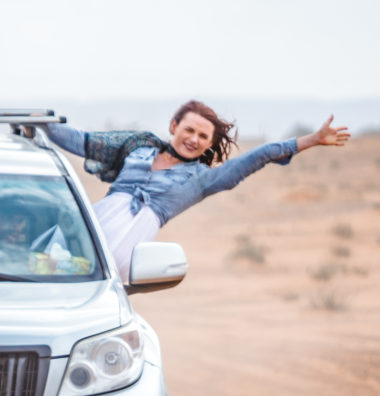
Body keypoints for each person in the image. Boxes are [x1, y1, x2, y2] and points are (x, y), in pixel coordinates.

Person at [44, 100, 350, 281]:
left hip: (118, 255)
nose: (194, 139)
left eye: (203, 136)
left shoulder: (202, 179)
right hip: (84, 232)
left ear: (209, 143)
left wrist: (310, 140)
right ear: (174, 125)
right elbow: (81, 142)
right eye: (189, 129)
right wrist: (40, 122)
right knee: (38, 274)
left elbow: (259, 156)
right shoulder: (138, 146)